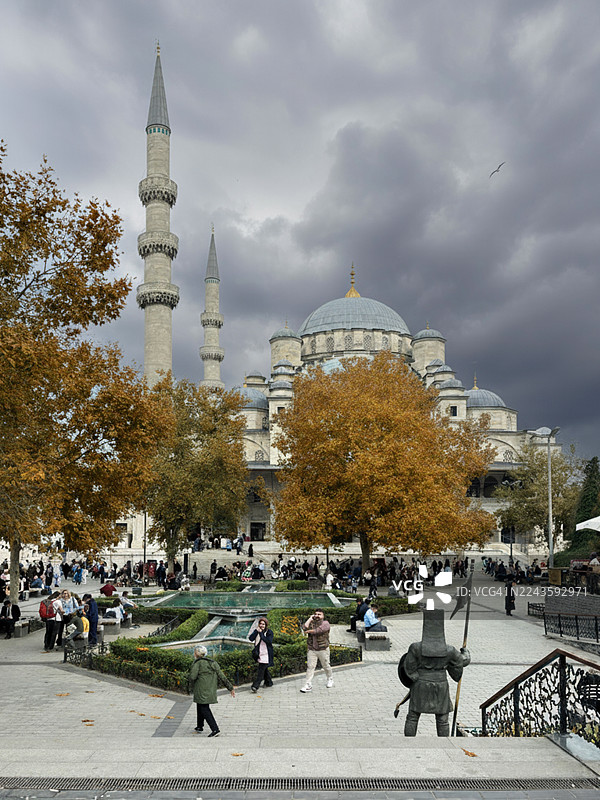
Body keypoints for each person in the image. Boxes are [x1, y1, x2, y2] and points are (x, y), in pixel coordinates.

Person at [400, 609, 470, 736]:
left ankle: (408, 742)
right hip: (441, 684)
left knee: (413, 716)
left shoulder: (415, 647)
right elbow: (462, 661)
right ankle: (444, 743)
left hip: (420, 684)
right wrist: (466, 653)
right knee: (442, 719)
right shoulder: (450, 650)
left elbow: (409, 667)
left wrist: (416, 679)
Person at [188, 645, 235, 737]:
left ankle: (215, 729)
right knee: (200, 705)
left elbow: (192, 677)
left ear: (197, 654)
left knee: (204, 708)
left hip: (201, 690)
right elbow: (222, 676)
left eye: (195, 652)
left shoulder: (197, 663)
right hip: (210, 689)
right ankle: (200, 726)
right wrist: (230, 688)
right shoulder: (212, 663)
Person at [300, 609, 334, 693]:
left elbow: (318, 631)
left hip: (323, 649)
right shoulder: (311, 623)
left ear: (323, 616)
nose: (317, 616)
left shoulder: (325, 623)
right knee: (310, 667)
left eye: (319, 614)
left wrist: (308, 631)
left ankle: (330, 678)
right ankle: (308, 684)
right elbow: (304, 628)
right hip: (312, 649)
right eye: (315, 614)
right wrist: (309, 619)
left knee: (326, 665)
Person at [248, 617, 274, 692]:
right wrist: (256, 631)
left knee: (260, 670)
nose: (261, 625)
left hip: (266, 654)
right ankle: (269, 682)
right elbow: (251, 638)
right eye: (260, 624)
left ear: (266, 625)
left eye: (263, 624)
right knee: (264, 670)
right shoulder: (257, 631)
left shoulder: (269, 632)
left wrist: (261, 633)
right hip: (259, 653)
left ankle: (255, 686)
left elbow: (268, 641)